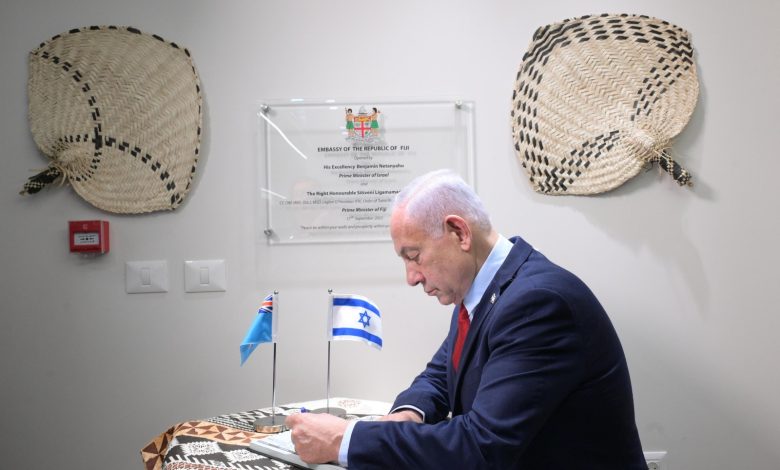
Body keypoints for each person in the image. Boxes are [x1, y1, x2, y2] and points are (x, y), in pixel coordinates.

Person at [286, 169, 647, 469]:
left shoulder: (536, 304)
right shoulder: (487, 288)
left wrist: (343, 439)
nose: (411, 277)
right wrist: (409, 413)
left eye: (414, 256)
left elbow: (481, 447)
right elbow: (441, 376)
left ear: (459, 233)